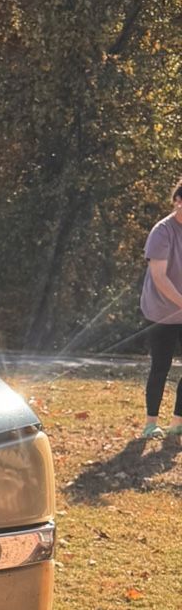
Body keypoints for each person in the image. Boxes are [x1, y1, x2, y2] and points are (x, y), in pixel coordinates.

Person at [140, 180, 182, 438]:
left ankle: (178, 421)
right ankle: (150, 423)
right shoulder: (162, 231)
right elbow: (159, 276)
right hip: (161, 311)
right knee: (161, 366)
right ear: (178, 201)